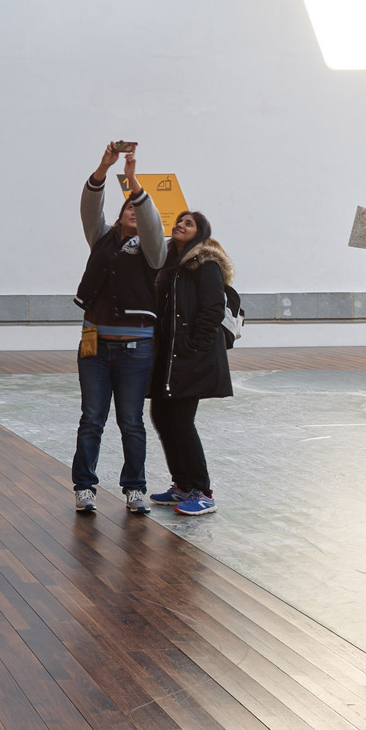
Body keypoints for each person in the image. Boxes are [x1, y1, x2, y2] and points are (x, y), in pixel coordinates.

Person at [70, 140, 166, 515]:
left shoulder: (153, 252)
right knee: (91, 418)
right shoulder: (103, 240)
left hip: (135, 349)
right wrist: (103, 169)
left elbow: (155, 228)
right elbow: (89, 210)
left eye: (136, 208)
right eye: (126, 207)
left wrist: (133, 182)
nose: (131, 212)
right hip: (94, 346)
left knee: (131, 422)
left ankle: (135, 488)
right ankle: (84, 487)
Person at [148, 208, 233, 518]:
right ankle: (182, 484)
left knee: (181, 421)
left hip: (189, 357)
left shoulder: (205, 265)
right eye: (179, 221)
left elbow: (212, 310)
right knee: (161, 415)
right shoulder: (172, 265)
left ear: (200, 232)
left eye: (189, 223)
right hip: (169, 357)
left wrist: (191, 346)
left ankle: (202, 490)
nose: (180, 225)